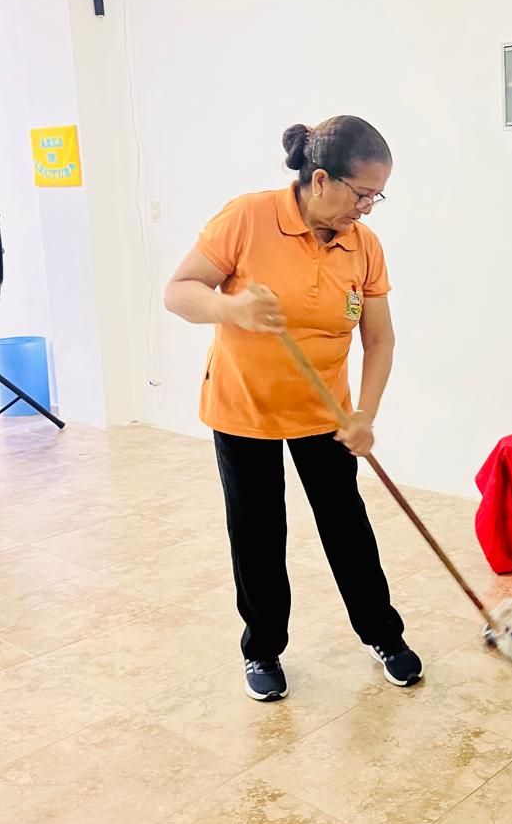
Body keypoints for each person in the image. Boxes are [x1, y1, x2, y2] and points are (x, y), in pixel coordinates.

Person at [164, 115, 421, 700]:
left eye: (377, 196)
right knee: (257, 532)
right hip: (244, 407)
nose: (368, 208)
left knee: (347, 526)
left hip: (325, 412)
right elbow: (179, 292)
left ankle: (383, 635)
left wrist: (364, 415)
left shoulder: (363, 245)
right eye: (362, 194)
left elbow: (379, 339)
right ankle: (262, 648)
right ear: (321, 178)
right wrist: (231, 309)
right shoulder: (248, 217)